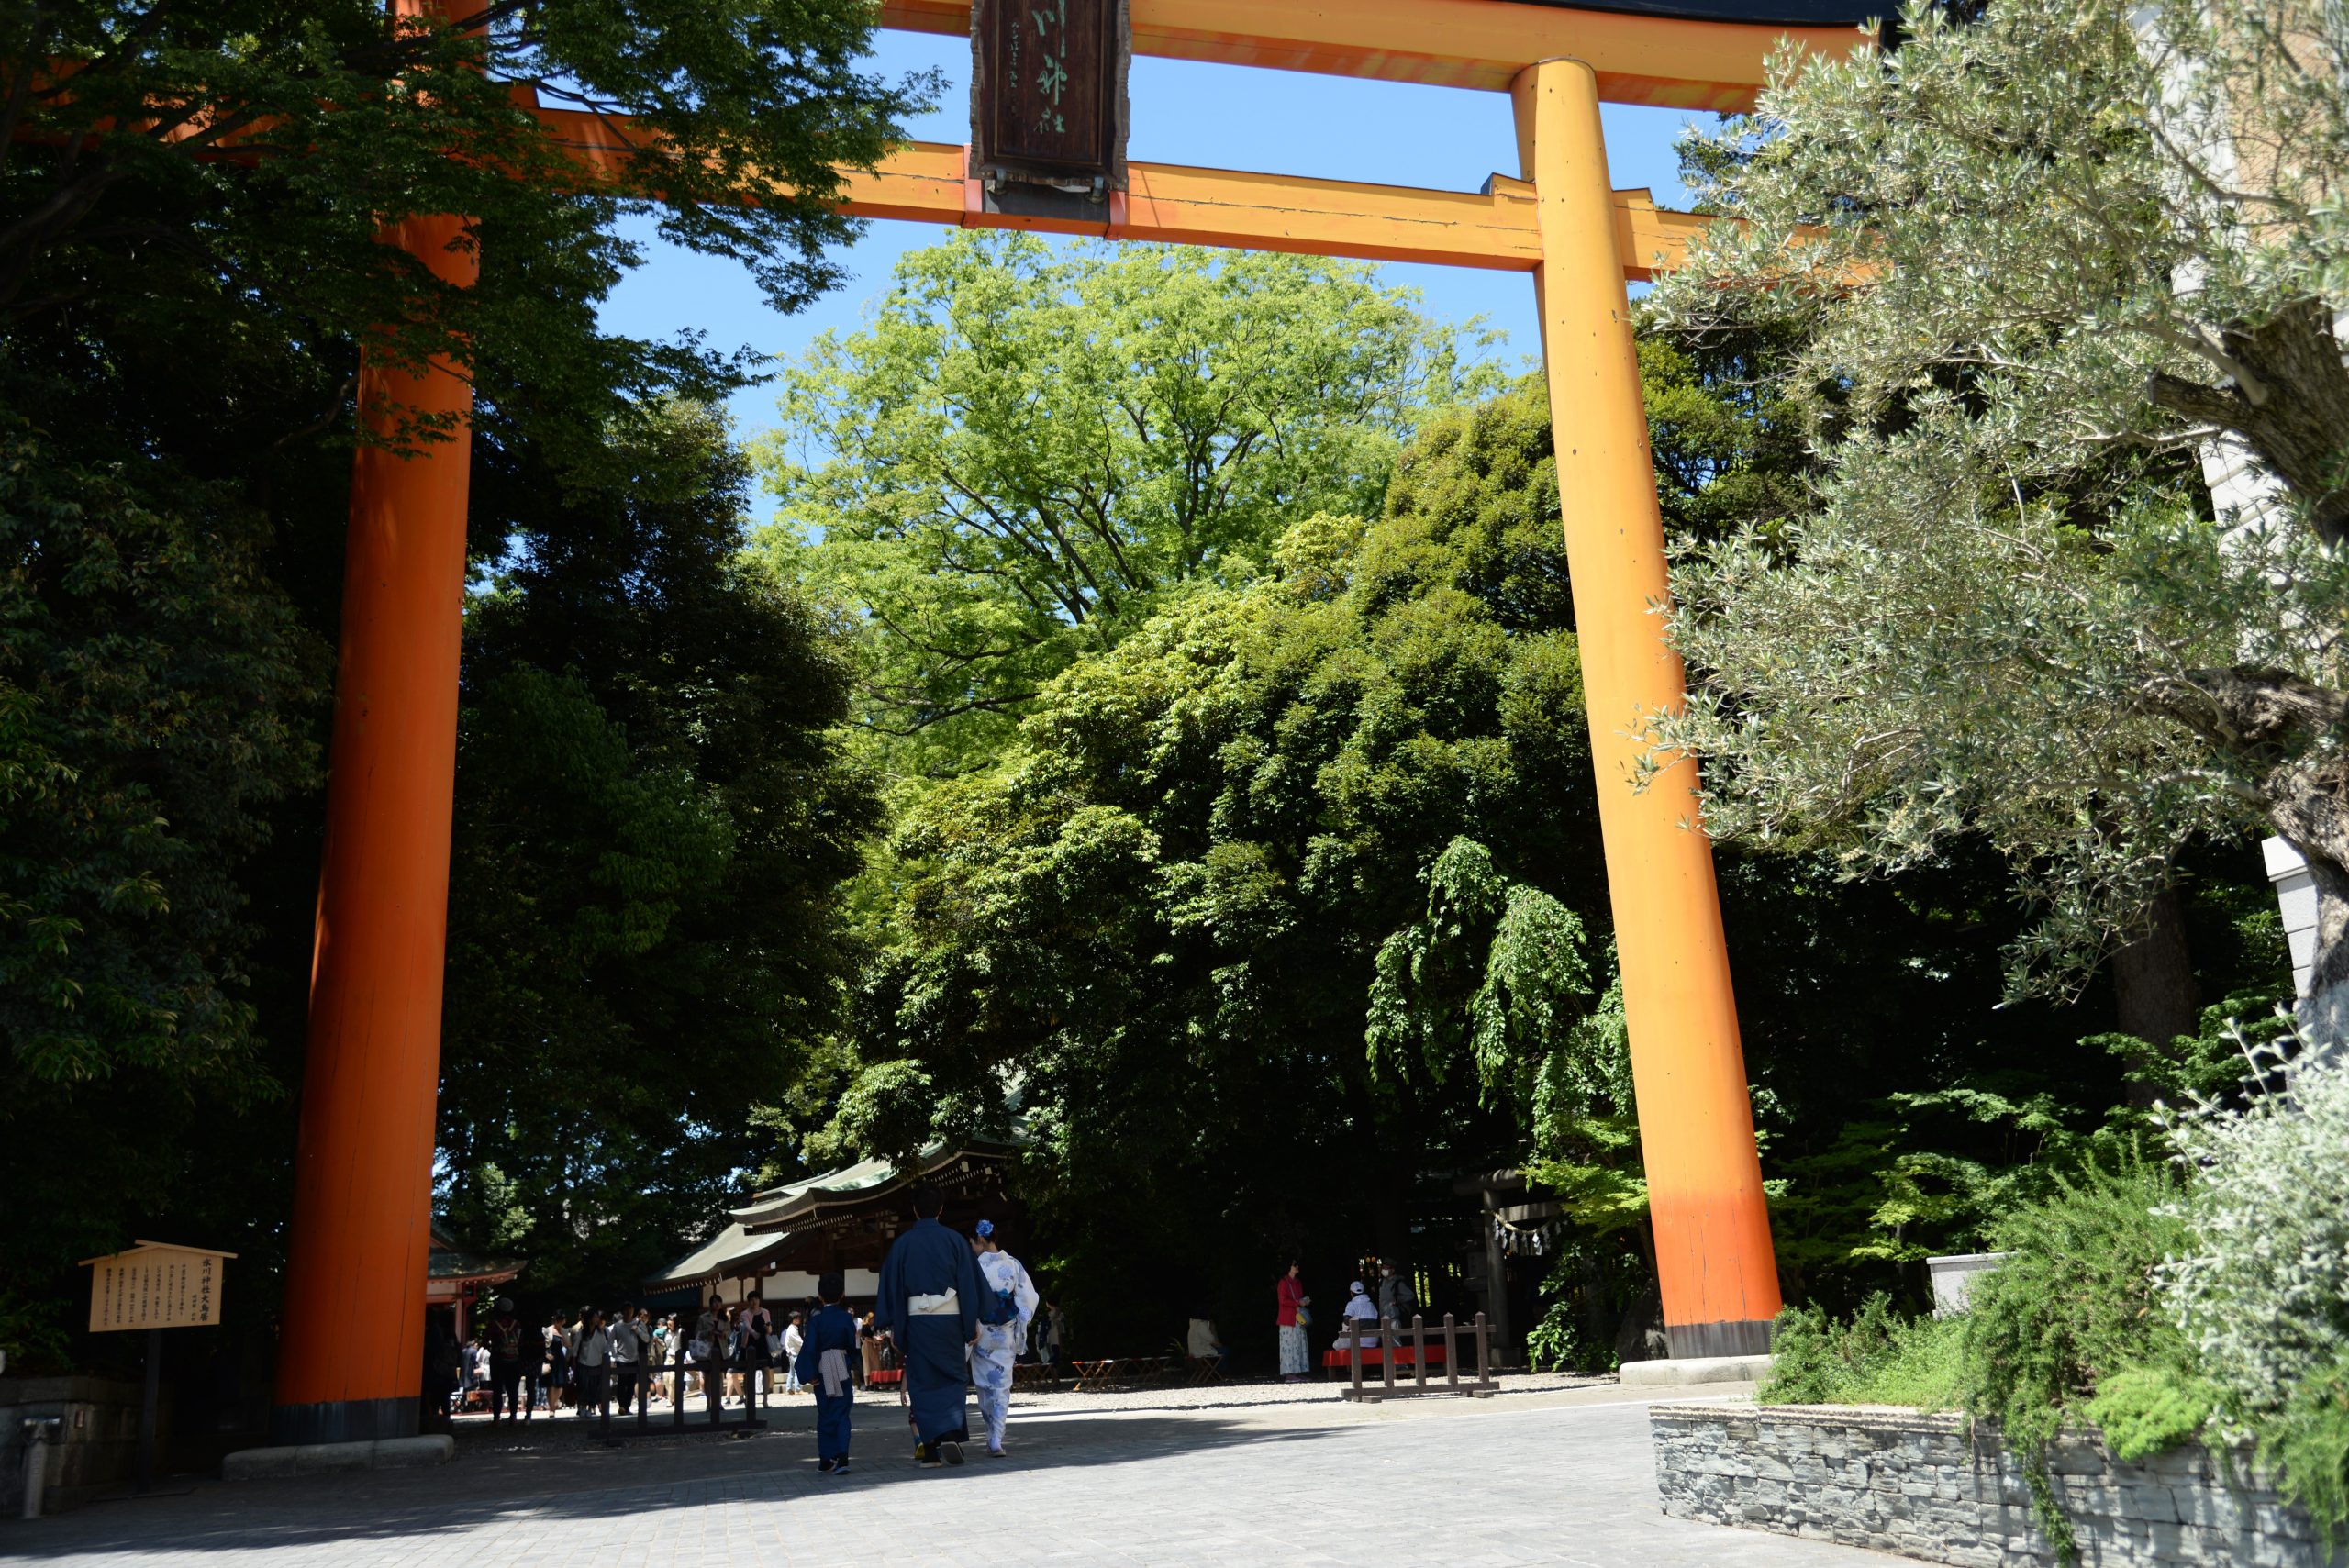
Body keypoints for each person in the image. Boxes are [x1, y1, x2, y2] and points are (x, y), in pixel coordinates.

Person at [874, 1182, 984, 1467]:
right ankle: (950, 1433)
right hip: (949, 1320)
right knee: (952, 1378)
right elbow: (969, 1285)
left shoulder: (902, 1245)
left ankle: (931, 1450)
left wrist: (896, 1327)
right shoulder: (955, 1241)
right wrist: (971, 1323)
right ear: (941, 1209)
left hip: (917, 1323)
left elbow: (893, 1289)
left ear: (914, 1209)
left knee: (922, 1383)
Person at [967, 1219, 1039, 1459]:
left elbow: (968, 1302)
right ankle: (996, 1438)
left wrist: (971, 1326)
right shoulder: (1013, 1264)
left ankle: (992, 1434)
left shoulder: (973, 1267)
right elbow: (1028, 1298)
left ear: (979, 1240)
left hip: (981, 1334)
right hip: (1005, 1333)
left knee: (984, 1387)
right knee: (1001, 1388)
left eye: (972, 1243)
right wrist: (1016, 1319)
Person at [796, 1272, 861, 1475]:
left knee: (825, 1412)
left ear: (820, 1296)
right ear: (842, 1294)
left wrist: (810, 1373)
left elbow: (810, 1347)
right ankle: (842, 1456)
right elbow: (852, 1345)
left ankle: (826, 1458)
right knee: (842, 1412)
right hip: (840, 1366)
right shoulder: (846, 1318)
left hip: (823, 1367)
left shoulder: (816, 1321)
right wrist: (852, 1363)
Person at [486, 1297, 531, 1422]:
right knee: (513, 1389)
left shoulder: (494, 1324)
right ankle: (513, 1416)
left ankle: (496, 1418)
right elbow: (521, 1342)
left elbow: (486, 1341)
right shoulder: (516, 1324)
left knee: (497, 1389)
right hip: (514, 1360)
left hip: (498, 1359)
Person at [608, 1299, 645, 1418]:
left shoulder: (638, 1324)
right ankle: (622, 1406)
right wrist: (614, 1356)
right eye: (626, 1310)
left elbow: (647, 1338)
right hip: (621, 1359)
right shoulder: (617, 1326)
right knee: (622, 1382)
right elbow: (610, 1342)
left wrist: (638, 1331)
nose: (629, 1312)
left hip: (635, 1358)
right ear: (623, 1312)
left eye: (631, 1310)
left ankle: (627, 1406)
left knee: (631, 1383)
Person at [573, 1307, 611, 1420]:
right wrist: (573, 1364)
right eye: (595, 1316)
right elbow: (575, 1350)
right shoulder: (581, 1332)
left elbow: (606, 1347)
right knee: (583, 1386)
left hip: (597, 1363)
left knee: (594, 1387)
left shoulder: (602, 1332)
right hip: (583, 1363)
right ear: (590, 1318)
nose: (597, 1319)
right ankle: (583, 1407)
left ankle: (591, 1407)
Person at [1276, 1263, 1312, 1383]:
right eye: (1294, 1265)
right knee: (1289, 1346)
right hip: (1288, 1319)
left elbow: (1298, 1299)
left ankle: (1298, 1372)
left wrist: (1303, 1301)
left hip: (1298, 1317)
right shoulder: (1283, 1282)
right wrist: (1298, 1302)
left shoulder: (1297, 1282)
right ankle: (1289, 1373)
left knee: (1299, 1344)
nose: (1297, 1267)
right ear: (1288, 1267)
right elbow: (1282, 1300)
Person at [543, 1309, 573, 1414]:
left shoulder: (564, 1331)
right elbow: (543, 1346)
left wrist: (564, 1335)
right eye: (557, 1320)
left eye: (561, 1320)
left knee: (560, 1385)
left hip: (560, 1358)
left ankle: (554, 1403)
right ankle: (551, 1408)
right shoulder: (547, 1330)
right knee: (551, 1385)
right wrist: (546, 1355)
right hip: (550, 1358)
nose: (558, 1322)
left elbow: (568, 1345)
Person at [1339, 1280, 1380, 1351]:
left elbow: (1346, 1319)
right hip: (1374, 1341)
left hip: (1358, 1341)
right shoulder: (1371, 1304)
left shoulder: (1351, 1304)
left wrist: (1344, 1330)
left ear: (1351, 1293)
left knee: (1336, 1345)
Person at [1186, 1313, 1227, 1379]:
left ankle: (1214, 1373)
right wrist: (1213, 1330)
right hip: (1201, 1352)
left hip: (1193, 1352)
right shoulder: (1202, 1325)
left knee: (1221, 1350)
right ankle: (1220, 1373)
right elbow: (1212, 1340)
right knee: (1224, 1351)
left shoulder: (1192, 1326)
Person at [1377, 1264, 1419, 1330]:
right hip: (1383, 1318)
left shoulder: (1397, 1283)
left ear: (1392, 1270)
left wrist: (1397, 1300)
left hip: (1393, 1318)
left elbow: (1410, 1295)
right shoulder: (1382, 1282)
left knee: (1395, 1339)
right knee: (1385, 1340)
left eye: (1386, 1268)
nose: (1384, 1270)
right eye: (1383, 1268)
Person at [782, 1310, 807, 1396]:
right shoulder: (792, 1330)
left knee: (792, 1371)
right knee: (797, 1371)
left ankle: (789, 1389)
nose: (799, 1319)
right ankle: (798, 1389)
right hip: (794, 1353)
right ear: (793, 1319)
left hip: (792, 1353)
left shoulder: (791, 1328)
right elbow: (799, 1342)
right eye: (797, 1318)